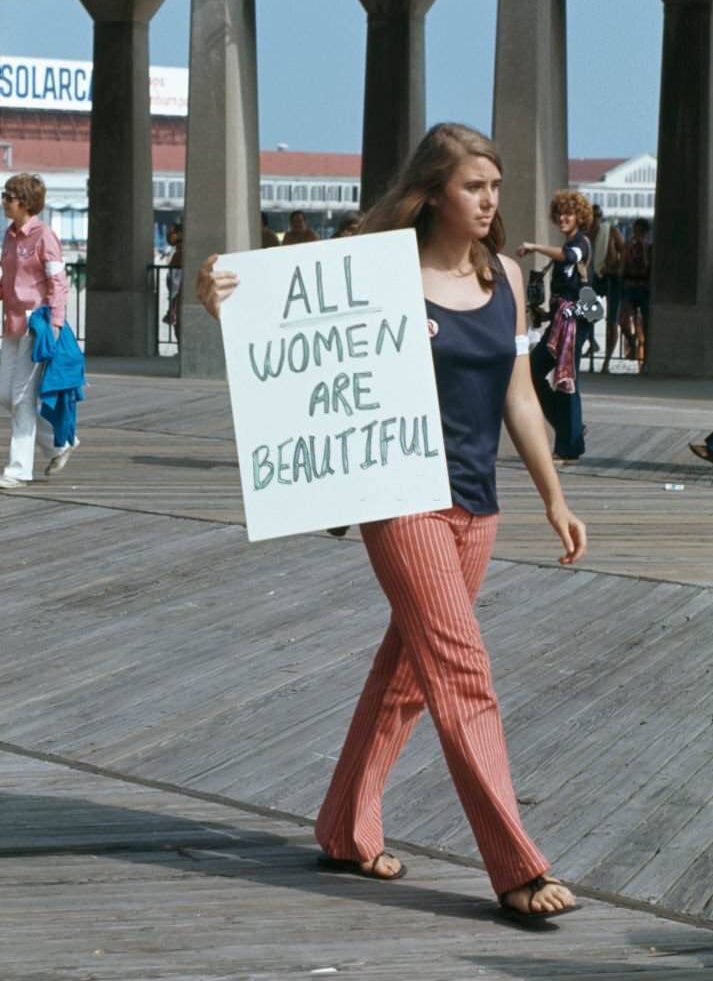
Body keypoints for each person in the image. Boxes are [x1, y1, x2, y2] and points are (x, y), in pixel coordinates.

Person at [195, 123, 587, 923]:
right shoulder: (374, 274)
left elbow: (518, 395)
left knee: (407, 677)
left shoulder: (506, 275)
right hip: (401, 497)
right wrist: (220, 297)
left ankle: (344, 826)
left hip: (478, 507)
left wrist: (553, 497)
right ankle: (515, 865)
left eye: (495, 186)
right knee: (462, 670)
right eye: (474, 186)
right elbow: (290, 333)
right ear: (434, 191)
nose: (489, 201)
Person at [0, 173, 77, 488]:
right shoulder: (9, 235)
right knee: (5, 394)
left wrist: (56, 325)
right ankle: (60, 443)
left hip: (38, 327)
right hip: (11, 324)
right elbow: (9, 279)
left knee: (21, 397)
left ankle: (18, 470)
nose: (4, 201)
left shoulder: (44, 236)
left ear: (24, 202)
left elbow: (58, 283)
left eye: (8, 196)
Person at [517, 191, 593, 466]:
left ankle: (569, 446)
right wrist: (545, 313)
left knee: (567, 381)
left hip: (574, 324)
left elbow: (569, 256)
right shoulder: (569, 245)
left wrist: (535, 248)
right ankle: (568, 429)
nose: (563, 217)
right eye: (560, 213)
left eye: (569, 213)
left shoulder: (581, 243)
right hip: (560, 323)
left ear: (579, 217)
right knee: (534, 372)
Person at [587, 204, 624, 374]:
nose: (593, 219)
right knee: (586, 316)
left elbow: (624, 251)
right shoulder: (585, 234)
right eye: (591, 216)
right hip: (593, 278)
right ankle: (592, 342)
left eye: (596, 216)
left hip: (611, 278)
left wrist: (616, 268)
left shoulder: (610, 231)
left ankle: (607, 362)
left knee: (612, 322)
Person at [620, 218, 651, 366]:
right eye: (635, 231)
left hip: (644, 287)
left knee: (646, 326)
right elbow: (623, 268)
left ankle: (644, 358)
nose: (637, 235)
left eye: (640, 232)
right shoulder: (628, 247)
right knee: (623, 320)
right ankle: (631, 343)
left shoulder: (648, 247)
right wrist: (627, 251)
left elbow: (646, 266)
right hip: (630, 286)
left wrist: (643, 248)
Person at [162, 222, 183, 340]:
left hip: (180, 271)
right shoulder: (178, 234)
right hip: (176, 270)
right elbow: (171, 240)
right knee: (174, 299)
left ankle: (172, 313)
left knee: (176, 301)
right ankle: (171, 313)